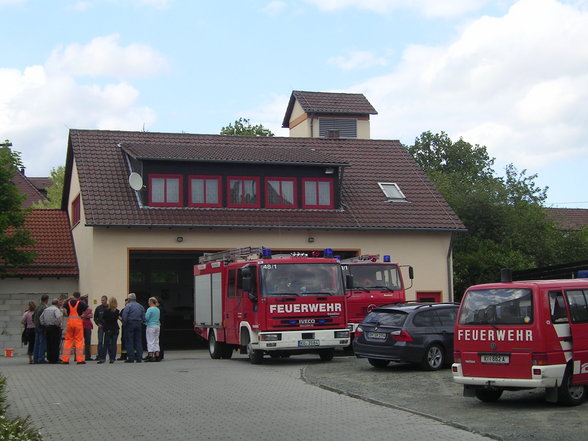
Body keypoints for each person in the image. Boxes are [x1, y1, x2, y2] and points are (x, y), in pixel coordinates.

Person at [61, 291, 88, 365]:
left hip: (70, 323)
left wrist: (68, 299)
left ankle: (65, 359)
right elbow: (89, 309)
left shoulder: (68, 303)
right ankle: (80, 360)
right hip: (78, 323)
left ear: (73, 296)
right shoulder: (80, 303)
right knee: (79, 340)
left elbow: (62, 305)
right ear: (79, 297)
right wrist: (83, 315)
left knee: (68, 340)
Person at [121, 293, 145, 363]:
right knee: (138, 341)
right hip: (138, 323)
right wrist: (141, 322)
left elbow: (124, 316)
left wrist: (124, 323)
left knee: (129, 341)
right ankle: (139, 358)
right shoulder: (140, 306)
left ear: (129, 299)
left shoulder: (128, 306)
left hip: (130, 324)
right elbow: (144, 316)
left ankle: (131, 358)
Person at [98, 296, 120, 364]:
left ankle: (103, 358)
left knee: (106, 344)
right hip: (116, 329)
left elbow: (104, 320)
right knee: (114, 344)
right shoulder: (117, 311)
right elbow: (119, 318)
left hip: (108, 329)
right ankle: (112, 358)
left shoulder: (106, 311)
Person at [40, 299, 63, 364]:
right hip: (55, 328)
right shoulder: (56, 309)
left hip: (47, 328)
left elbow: (41, 318)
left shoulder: (46, 309)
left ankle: (49, 358)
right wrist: (58, 324)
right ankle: (55, 359)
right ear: (57, 303)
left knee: (49, 343)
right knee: (55, 344)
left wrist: (44, 324)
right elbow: (58, 317)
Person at [32, 294, 49, 364]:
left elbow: (33, 316)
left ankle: (35, 358)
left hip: (37, 327)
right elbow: (43, 318)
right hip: (42, 327)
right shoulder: (43, 307)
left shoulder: (37, 307)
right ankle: (41, 358)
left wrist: (35, 323)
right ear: (46, 300)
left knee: (37, 343)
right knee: (42, 343)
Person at [144, 297, 161, 362]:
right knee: (156, 340)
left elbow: (146, 318)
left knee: (150, 340)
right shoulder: (157, 309)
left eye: (149, 302)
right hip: (157, 325)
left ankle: (150, 355)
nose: (148, 303)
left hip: (151, 326)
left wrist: (144, 320)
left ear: (151, 302)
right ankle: (157, 355)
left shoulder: (150, 309)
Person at [94, 295, 108, 362]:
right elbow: (95, 318)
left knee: (106, 342)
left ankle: (104, 356)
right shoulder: (98, 308)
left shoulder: (109, 307)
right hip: (101, 327)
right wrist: (97, 324)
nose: (102, 301)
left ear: (106, 300)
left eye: (103, 300)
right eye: (101, 300)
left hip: (107, 327)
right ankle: (99, 356)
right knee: (100, 341)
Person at [80, 295, 94, 361]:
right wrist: (87, 315)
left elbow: (91, 315)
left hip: (87, 326)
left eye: (84, 302)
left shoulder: (87, 308)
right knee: (79, 342)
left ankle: (88, 357)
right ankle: (77, 357)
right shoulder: (78, 308)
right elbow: (80, 316)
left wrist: (84, 315)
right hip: (80, 326)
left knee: (88, 342)